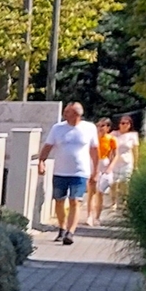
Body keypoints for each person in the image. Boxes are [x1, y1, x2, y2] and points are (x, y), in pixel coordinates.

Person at [39, 101, 99, 244]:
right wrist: (41, 162)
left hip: (80, 172)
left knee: (75, 201)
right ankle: (62, 227)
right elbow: (48, 146)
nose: (64, 115)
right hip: (60, 171)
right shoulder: (57, 128)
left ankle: (70, 232)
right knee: (59, 201)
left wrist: (96, 171)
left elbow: (95, 151)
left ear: (77, 114)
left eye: (68, 112)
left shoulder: (89, 128)